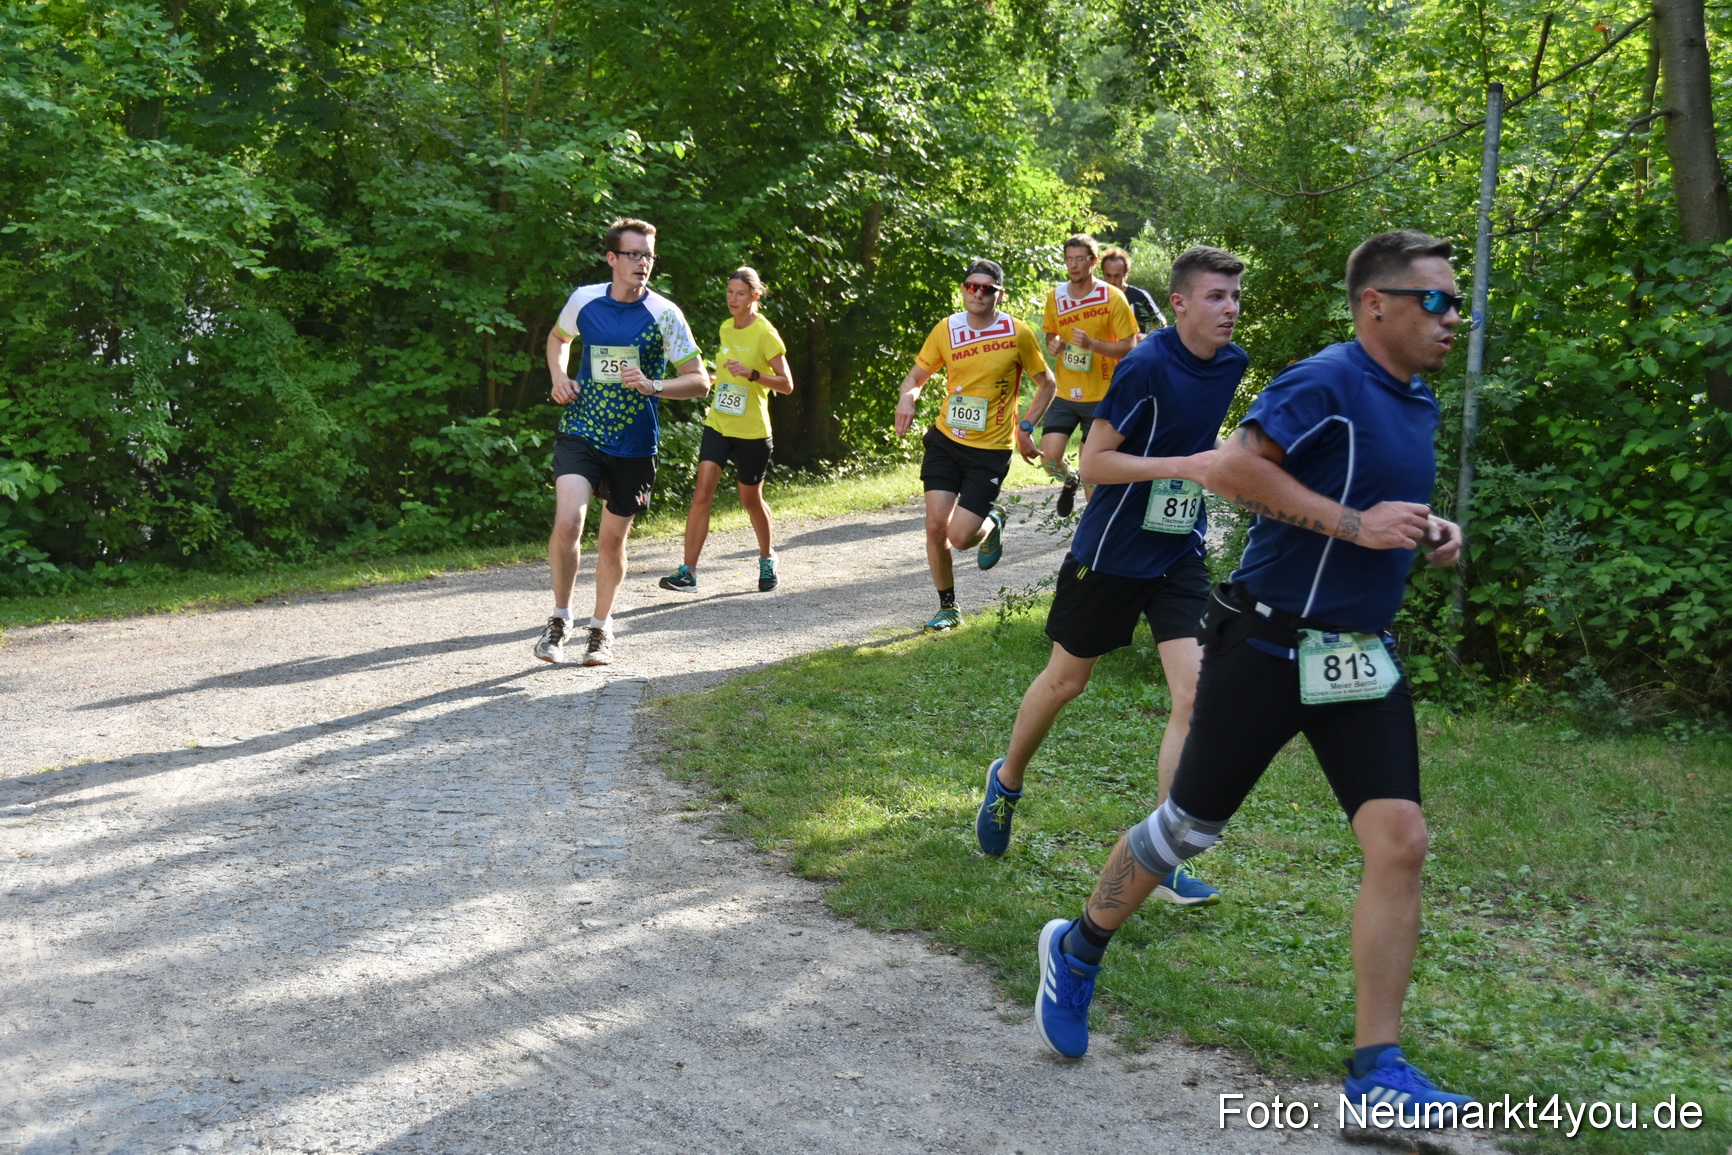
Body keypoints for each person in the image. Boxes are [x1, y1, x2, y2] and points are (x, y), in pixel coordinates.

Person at [1034, 230, 1474, 1118]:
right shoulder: (1326, 380)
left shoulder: (1416, 397)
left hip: (1359, 654)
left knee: (1402, 841)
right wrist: (1357, 526)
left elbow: (1373, 505)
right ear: (1375, 303)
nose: (1452, 317)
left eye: (1455, 300)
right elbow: (1235, 469)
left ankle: (1376, 1073)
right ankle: (1078, 945)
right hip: (1269, 646)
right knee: (1188, 828)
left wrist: (1423, 532)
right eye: (1435, 299)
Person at [975, 245, 1247, 917]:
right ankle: (1006, 781)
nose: (1231, 309)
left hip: (1177, 549)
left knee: (1194, 692)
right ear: (1179, 303)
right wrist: (1185, 464)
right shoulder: (1146, 364)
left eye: (1236, 298)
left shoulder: (1233, 364)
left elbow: (1212, 449)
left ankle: (1168, 849)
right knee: (1068, 680)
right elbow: (1094, 465)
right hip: (1113, 551)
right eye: (1217, 297)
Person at [534, 218, 709, 667]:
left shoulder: (665, 314)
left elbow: (699, 382)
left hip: (633, 443)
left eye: (649, 255)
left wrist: (653, 385)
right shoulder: (585, 301)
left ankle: (601, 628)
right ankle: (559, 619)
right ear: (612, 258)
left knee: (611, 542)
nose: (643, 263)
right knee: (569, 521)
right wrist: (559, 376)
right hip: (582, 429)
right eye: (633, 254)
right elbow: (558, 338)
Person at [894, 259, 1056, 631]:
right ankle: (948, 607)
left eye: (986, 288)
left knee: (960, 536)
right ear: (964, 289)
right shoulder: (946, 329)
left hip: (991, 449)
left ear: (1000, 293)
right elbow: (915, 377)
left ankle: (991, 522)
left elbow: (1047, 383)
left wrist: (1026, 427)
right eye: (971, 286)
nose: (977, 293)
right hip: (946, 440)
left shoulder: (1017, 333)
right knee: (936, 527)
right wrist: (909, 396)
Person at [660, 267, 795, 594]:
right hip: (719, 422)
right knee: (702, 490)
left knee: (750, 500)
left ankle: (767, 557)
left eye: (740, 293)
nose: (732, 299)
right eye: (729, 292)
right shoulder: (725, 328)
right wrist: (712, 379)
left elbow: (787, 385)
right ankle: (688, 572)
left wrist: (753, 374)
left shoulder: (765, 333)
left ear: (754, 296)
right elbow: (726, 374)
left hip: (752, 430)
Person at [1041, 235, 1138, 518]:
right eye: (1069, 259)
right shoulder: (1056, 297)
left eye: (1079, 259)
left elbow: (1130, 347)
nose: (1073, 265)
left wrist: (1093, 345)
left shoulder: (1112, 297)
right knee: (1050, 459)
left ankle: (1092, 533)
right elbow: (1051, 333)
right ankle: (1070, 480)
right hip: (1065, 391)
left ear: (1093, 262)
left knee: (1091, 473)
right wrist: (1053, 343)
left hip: (1102, 396)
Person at [1099, 246, 1168, 342]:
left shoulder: (1139, 296)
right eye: (1108, 275)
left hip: (1134, 353)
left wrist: (1146, 337)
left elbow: (1160, 324)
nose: (1112, 280)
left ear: (1126, 274)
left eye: (1117, 276)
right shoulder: (1096, 297)